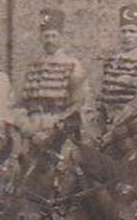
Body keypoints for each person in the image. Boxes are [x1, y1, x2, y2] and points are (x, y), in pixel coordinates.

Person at [16, 7, 89, 139]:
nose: (50, 40)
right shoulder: (32, 66)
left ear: (61, 37)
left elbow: (79, 102)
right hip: (32, 127)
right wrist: (25, 126)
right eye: (46, 36)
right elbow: (17, 102)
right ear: (41, 38)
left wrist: (57, 126)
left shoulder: (72, 65)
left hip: (58, 128)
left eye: (54, 36)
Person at [93, 3, 137, 140]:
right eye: (123, 31)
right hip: (107, 127)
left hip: (132, 129)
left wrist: (112, 133)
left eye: (132, 31)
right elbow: (99, 99)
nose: (127, 36)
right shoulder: (110, 63)